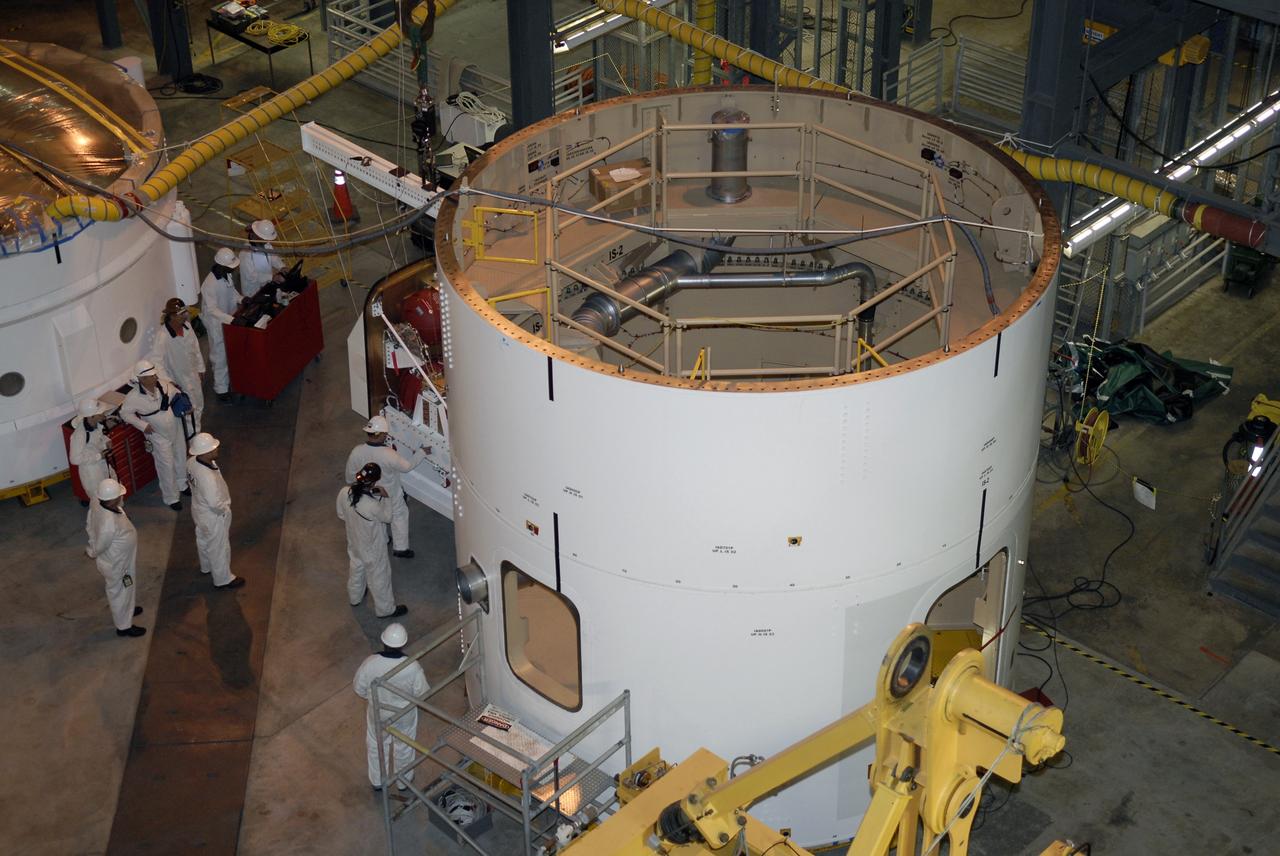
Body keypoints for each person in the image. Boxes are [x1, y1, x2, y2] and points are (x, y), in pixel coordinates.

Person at [353, 623, 428, 791]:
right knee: (405, 745)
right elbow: (422, 693)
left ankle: (378, 781)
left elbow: (359, 688)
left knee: (376, 744)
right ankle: (404, 780)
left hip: (378, 713)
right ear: (403, 644)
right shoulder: (412, 666)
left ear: (383, 641)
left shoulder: (370, 663)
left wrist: (373, 699)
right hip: (405, 715)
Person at [344, 415, 430, 559]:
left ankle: (384, 540)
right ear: (383, 434)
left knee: (377, 517)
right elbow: (407, 466)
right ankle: (401, 548)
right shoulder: (389, 454)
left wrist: (366, 488)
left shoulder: (357, 451)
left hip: (369, 494)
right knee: (399, 515)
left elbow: (349, 477)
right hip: (390, 493)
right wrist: (422, 452)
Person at [337, 463, 407, 619]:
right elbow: (388, 517)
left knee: (356, 568)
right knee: (379, 578)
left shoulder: (343, 493)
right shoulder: (372, 505)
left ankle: (355, 597)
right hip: (372, 548)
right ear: (375, 481)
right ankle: (385, 610)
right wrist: (386, 498)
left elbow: (341, 514)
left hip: (354, 541)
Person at [120, 360, 188, 510]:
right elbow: (125, 413)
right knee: (166, 465)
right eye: (151, 376)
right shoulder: (133, 397)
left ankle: (182, 483)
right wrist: (142, 425)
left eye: (154, 374)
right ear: (141, 379)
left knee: (180, 455)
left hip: (175, 427)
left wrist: (184, 404)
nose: (155, 377)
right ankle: (171, 497)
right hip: (157, 435)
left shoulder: (163, 385)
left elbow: (177, 394)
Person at [89, 479, 146, 637]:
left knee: (127, 587)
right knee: (119, 592)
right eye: (119, 496)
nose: (122, 498)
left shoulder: (98, 502)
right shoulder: (108, 522)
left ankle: (128, 608)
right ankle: (123, 626)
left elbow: (89, 521)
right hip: (116, 563)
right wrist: (92, 550)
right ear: (113, 499)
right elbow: (101, 544)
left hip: (123, 560)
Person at [187, 432, 244, 590]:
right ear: (205, 452)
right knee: (219, 547)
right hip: (213, 515)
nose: (216, 448)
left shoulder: (192, 462)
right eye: (213, 448)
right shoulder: (207, 478)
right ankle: (223, 579)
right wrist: (224, 509)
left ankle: (206, 566)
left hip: (198, 509)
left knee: (203, 539)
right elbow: (214, 502)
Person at [150, 297, 206, 432]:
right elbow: (157, 362)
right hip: (178, 380)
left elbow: (196, 348)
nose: (185, 316)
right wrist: (170, 383)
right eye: (181, 314)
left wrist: (200, 368)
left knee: (199, 405)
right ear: (172, 316)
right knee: (188, 411)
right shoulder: (162, 336)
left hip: (193, 375)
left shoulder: (188, 327)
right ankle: (195, 441)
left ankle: (196, 434)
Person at [201, 248, 243, 402]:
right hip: (216, 324)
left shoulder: (226, 275)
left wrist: (242, 299)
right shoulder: (209, 284)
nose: (233, 269)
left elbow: (232, 293)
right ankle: (221, 389)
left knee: (229, 352)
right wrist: (230, 319)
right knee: (219, 356)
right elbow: (212, 310)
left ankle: (229, 380)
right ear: (221, 265)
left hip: (228, 319)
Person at [238, 219, 284, 294]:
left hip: (267, 286)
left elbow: (273, 257)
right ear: (255, 236)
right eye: (264, 239)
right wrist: (272, 277)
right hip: (253, 291)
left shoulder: (265, 244)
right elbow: (251, 276)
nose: (267, 241)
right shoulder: (245, 253)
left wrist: (282, 267)